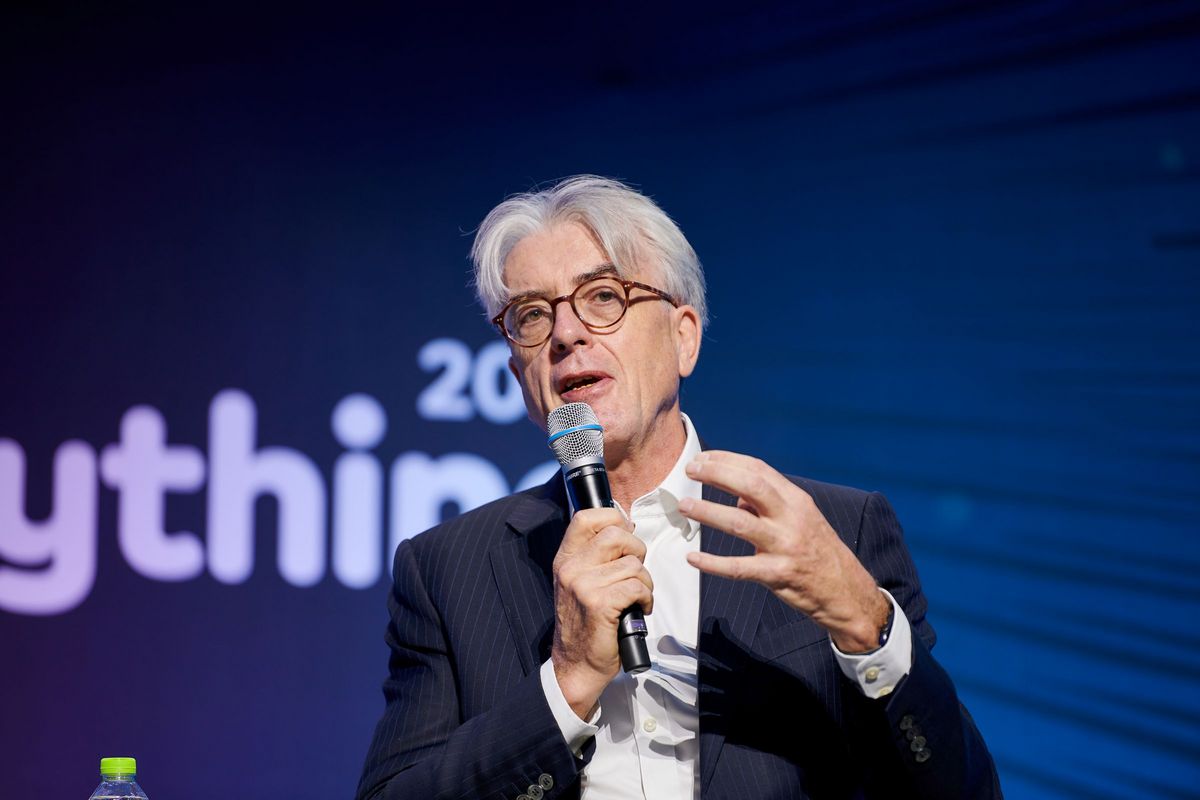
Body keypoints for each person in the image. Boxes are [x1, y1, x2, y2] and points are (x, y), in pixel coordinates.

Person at [356, 175, 1002, 799]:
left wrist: (865, 622)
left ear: (683, 337)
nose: (566, 334)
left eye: (603, 296)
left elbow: (964, 791)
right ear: (519, 375)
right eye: (531, 315)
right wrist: (566, 684)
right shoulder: (446, 570)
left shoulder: (837, 530)